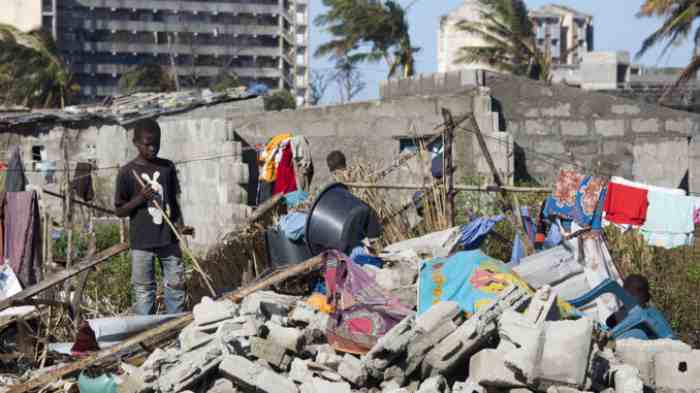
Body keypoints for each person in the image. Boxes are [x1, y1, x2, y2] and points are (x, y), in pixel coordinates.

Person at [115, 119, 193, 315]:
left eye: (156, 144)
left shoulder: (167, 167)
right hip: (142, 242)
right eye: (147, 144)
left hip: (168, 237)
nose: (152, 148)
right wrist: (141, 198)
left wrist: (179, 226)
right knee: (143, 291)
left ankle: (174, 328)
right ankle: (146, 336)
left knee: (176, 285)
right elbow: (120, 210)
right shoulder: (126, 173)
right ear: (135, 143)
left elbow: (174, 202)